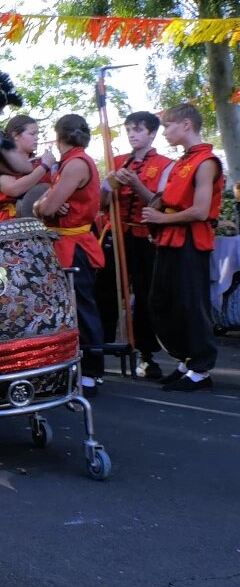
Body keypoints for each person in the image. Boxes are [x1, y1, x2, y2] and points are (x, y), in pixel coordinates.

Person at [142, 104, 223, 392]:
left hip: (191, 239)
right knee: (163, 304)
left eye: (167, 126)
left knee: (191, 304)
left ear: (186, 125)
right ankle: (188, 359)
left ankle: (201, 368)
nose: (164, 132)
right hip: (169, 238)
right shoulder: (181, 162)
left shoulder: (206, 162)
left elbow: (201, 211)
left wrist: (162, 217)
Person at [34, 114, 105, 396]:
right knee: (73, 307)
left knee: (82, 307)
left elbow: (46, 207)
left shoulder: (75, 164)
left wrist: (43, 204)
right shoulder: (74, 162)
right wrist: (46, 203)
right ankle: (78, 366)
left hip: (74, 245)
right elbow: (48, 203)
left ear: (57, 136)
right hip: (66, 242)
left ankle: (91, 372)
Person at [105, 111, 172, 379]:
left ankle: (146, 353)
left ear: (152, 133)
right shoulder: (117, 161)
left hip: (146, 237)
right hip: (118, 235)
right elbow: (100, 202)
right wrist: (109, 184)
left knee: (146, 294)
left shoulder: (166, 164)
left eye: (138, 130)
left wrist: (137, 184)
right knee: (108, 289)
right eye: (129, 129)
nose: (132, 134)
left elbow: (161, 203)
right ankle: (101, 349)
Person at [0, 114, 55, 221]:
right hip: (11, 223)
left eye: (37, 133)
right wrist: (44, 167)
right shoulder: (3, 160)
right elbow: (12, 189)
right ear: (16, 135)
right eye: (32, 134)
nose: (37, 137)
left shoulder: (39, 161)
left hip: (40, 223)